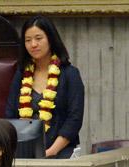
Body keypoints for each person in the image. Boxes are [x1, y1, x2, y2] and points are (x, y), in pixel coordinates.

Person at [5, 16, 84, 159]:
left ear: (50, 39)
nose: (33, 44)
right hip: (25, 152)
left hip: (61, 151)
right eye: (28, 40)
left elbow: (74, 119)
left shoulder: (70, 74)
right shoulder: (21, 74)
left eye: (38, 38)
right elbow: (10, 114)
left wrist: (51, 151)